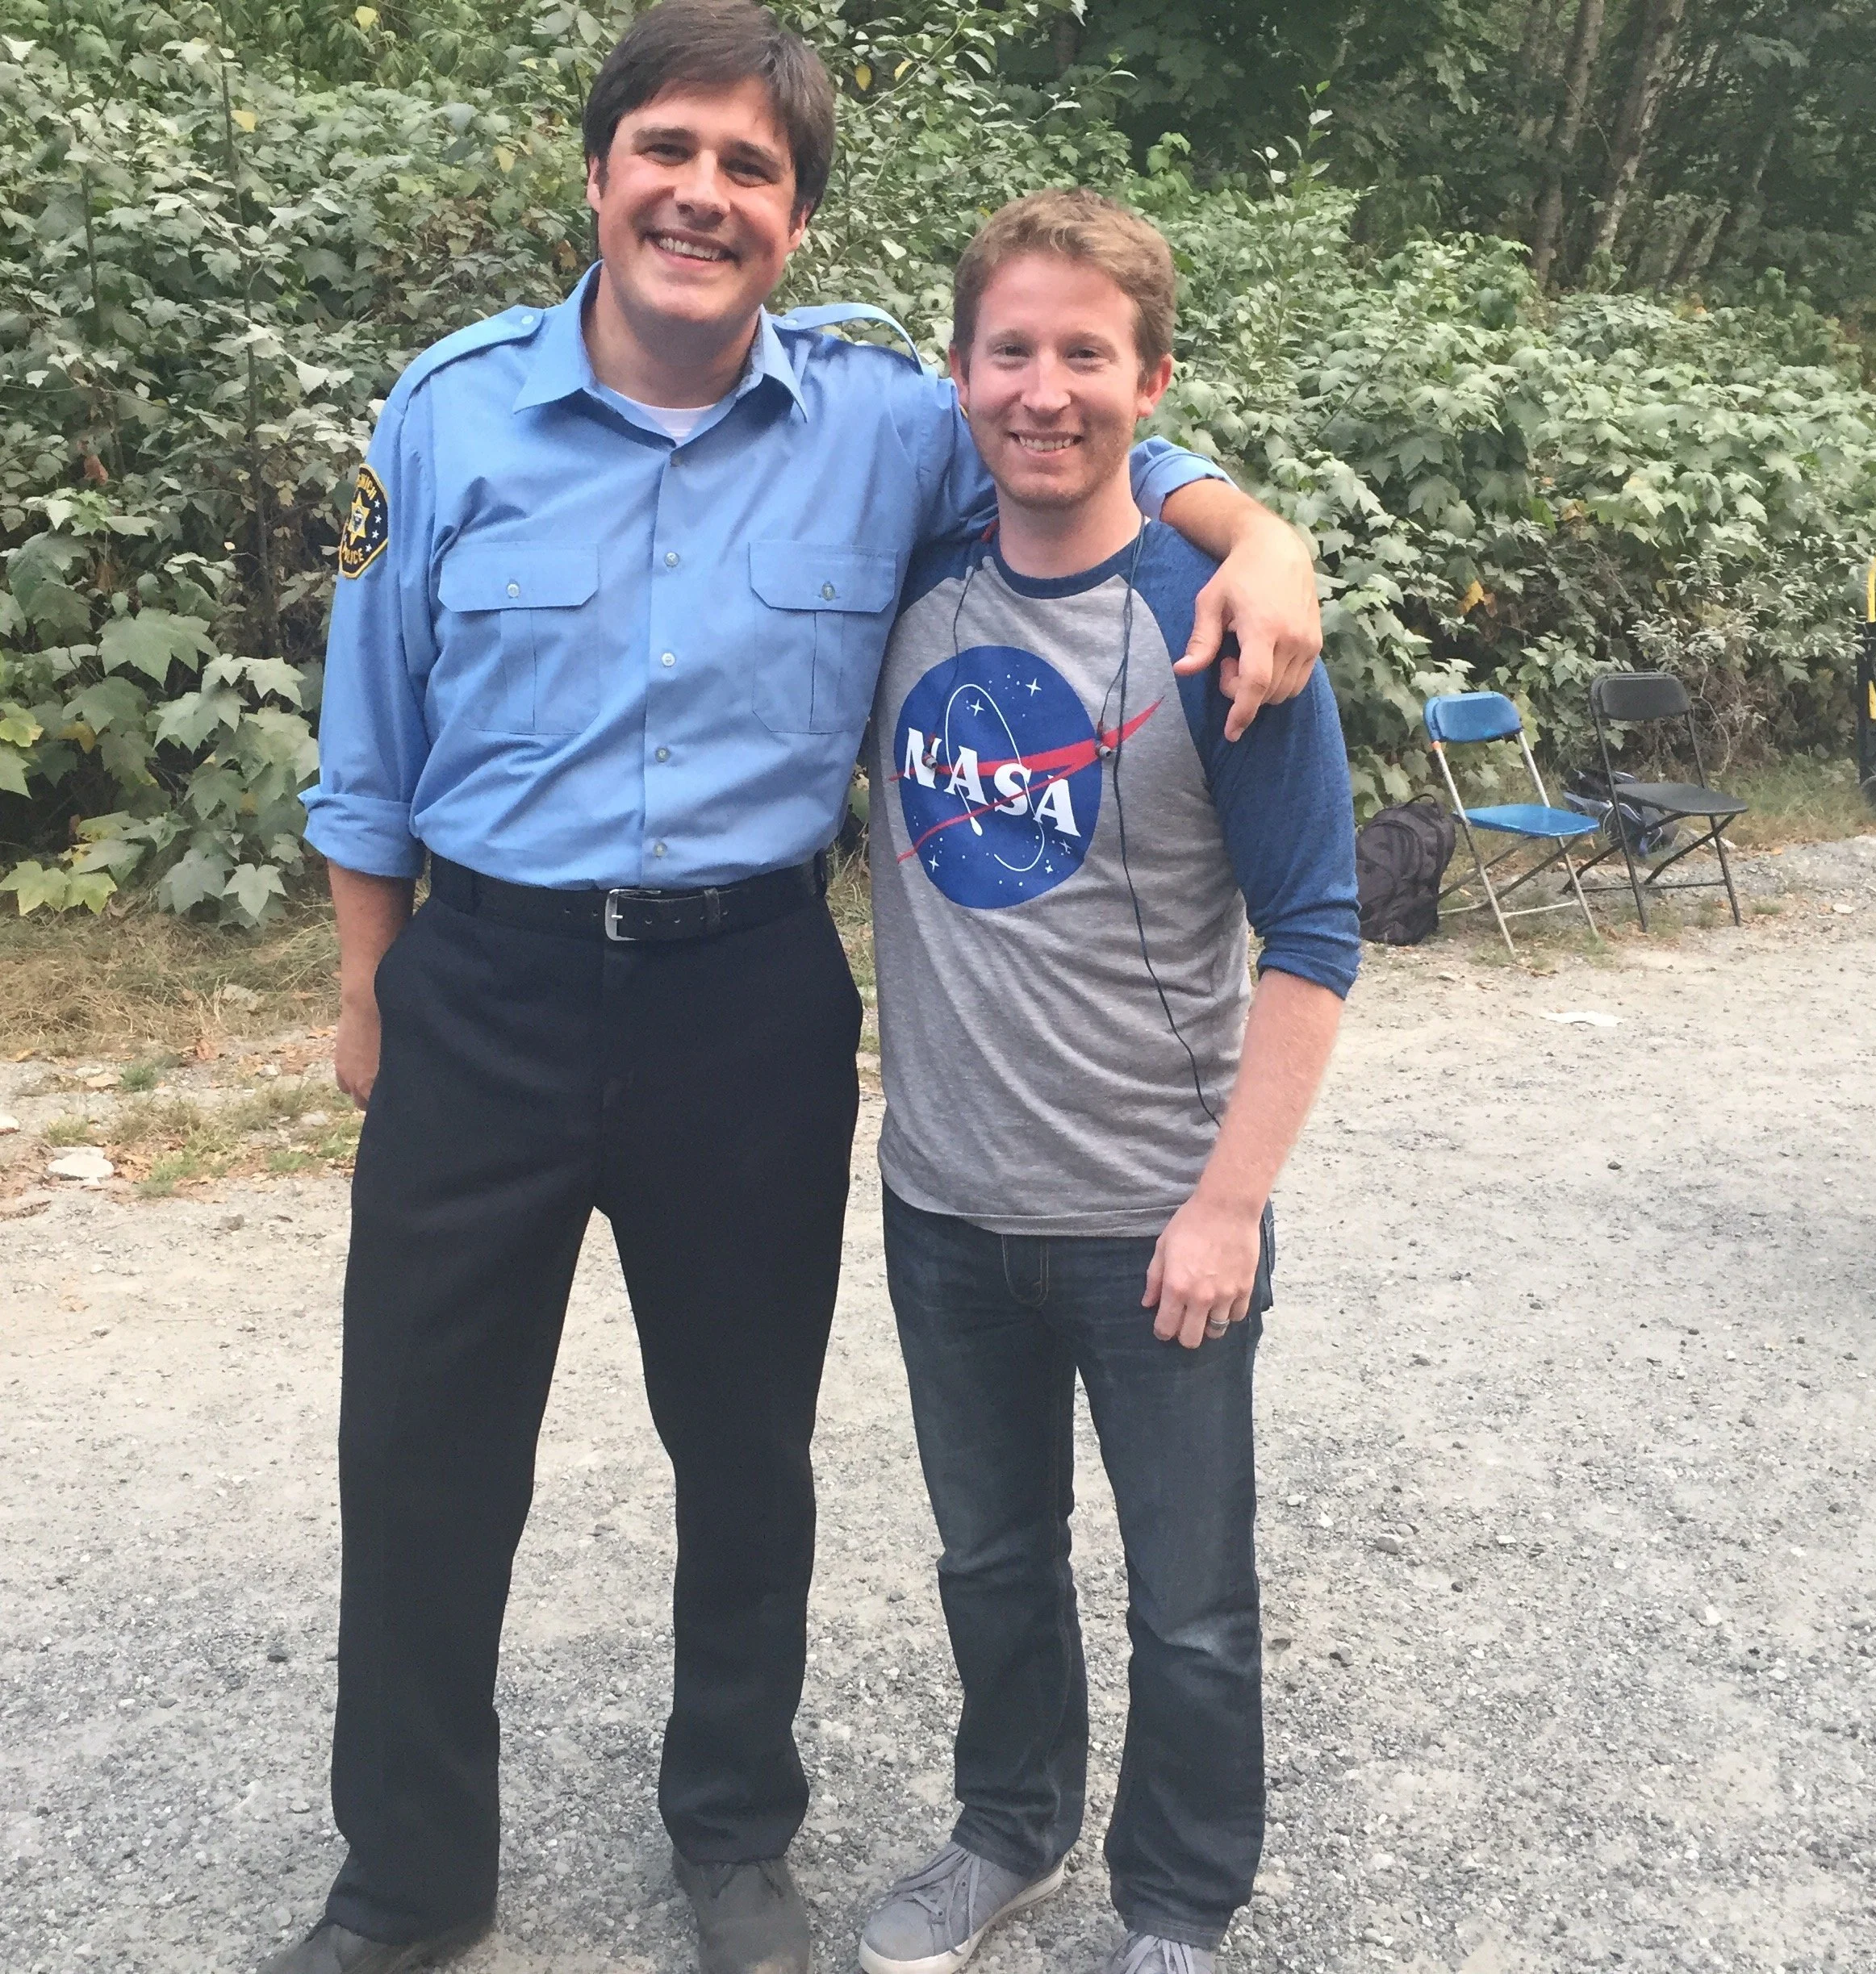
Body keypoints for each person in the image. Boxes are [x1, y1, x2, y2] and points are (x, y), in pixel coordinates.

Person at [264, 2, 1326, 1971]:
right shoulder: (443, 411)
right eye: (668, 149)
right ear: (596, 178)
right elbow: (369, 730)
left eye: (752, 167)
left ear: (797, 222)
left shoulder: (878, 422)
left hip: (744, 998)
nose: (702, 193)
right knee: (418, 1451)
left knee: (741, 1452)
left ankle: (734, 1840)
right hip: (478, 983)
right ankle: (405, 1876)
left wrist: (1257, 532)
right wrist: (366, 989)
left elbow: (1077, 415)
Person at [856, 190, 1359, 1974]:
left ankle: (1177, 1902)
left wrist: (1227, 1202)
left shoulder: (1224, 624)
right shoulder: (907, 587)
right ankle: (1007, 1829)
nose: (1044, 387)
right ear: (958, 372)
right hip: (940, 1205)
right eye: (1012, 349)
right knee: (988, 1564)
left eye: (1087, 353)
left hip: (1156, 1220)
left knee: (1191, 1607)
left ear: (1151, 381)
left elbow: (1312, 932)